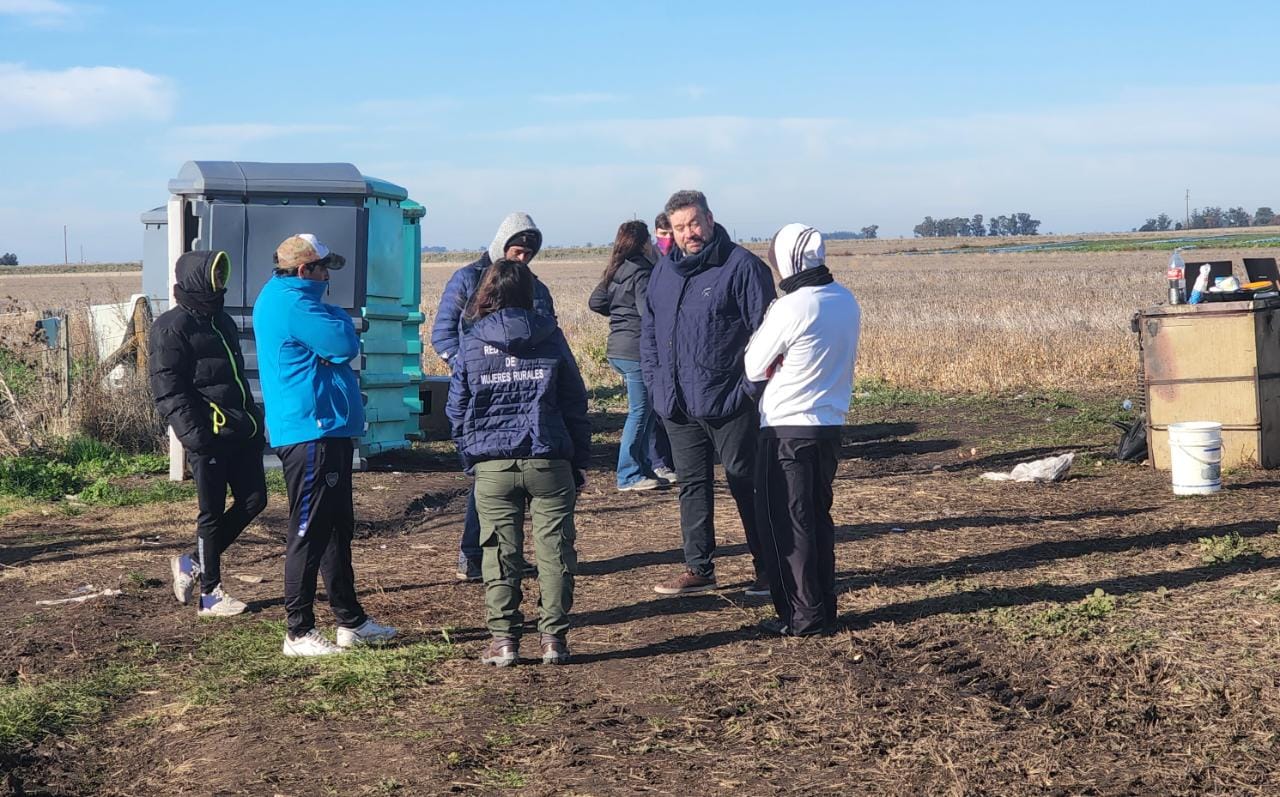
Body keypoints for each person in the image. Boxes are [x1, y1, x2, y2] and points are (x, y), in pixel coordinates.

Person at [253, 233, 397, 657]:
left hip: (324, 428)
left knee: (335, 528)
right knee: (309, 529)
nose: (328, 276)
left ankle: (350, 621)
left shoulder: (293, 300)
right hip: (310, 430)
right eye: (324, 269)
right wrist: (339, 322)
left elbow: (334, 339)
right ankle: (297, 631)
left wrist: (332, 318)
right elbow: (344, 343)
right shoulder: (294, 303)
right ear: (304, 271)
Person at [446, 259, 590, 666]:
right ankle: (553, 640)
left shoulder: (472, 342)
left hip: (493, 465)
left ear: (487, 293)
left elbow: (456, 408)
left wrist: (470, 456)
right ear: (529, 293)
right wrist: (580, 459)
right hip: (549, 459)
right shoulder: (551, 336)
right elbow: (575, 401)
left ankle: (504, 639)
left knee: (498, 552)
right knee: (555, 551)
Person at [640, 190, 776, 596]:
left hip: (728, 402)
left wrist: (746, 391)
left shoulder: (742, 267)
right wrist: (654, 379)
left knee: (747, 483)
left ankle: (769, 568)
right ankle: (699, 567)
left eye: (694, 223)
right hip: (676, 403)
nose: (689, 233)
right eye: (680, 227)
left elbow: (766, 335)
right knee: (692, 486)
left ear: (711, 219)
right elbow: (649, 331)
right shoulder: (664, 272)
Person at [744, 225, 859, 637]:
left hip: (785, 429)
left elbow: (754, 365)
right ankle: (823, 607)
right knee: (816, 518)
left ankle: (801, 615)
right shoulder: (845, 300)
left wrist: (774, 362)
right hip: (829, 425)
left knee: (786, 524)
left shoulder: (792, 306)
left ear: (787, 259)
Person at [431, 213, 556, 583]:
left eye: (528, 255)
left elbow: (549, 334)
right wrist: (472, 371)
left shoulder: (538, 289)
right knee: (488, 475)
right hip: (484, 396)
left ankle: (506, 556)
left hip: (527, 395)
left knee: (517, 477)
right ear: (502, 245)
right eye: (516, 251)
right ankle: (472, 555)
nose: (522, 260)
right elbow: (442, 335)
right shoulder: (467, 279)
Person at [150, 250, 266, 617]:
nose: (221, 282)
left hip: (241, 431)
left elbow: (233, 378)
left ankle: (190, 562)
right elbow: (168, 389)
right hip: (208, 436)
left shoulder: (222, 320)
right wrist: (196, 436)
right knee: (211, 513)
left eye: (222, 274)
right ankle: (211, 595)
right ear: (197, 279)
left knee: (255, 500)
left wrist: (254, 418)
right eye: (215, 275)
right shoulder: (171, 327)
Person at [588, 220, 671, 491]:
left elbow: (596, 302)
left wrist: (620, 315)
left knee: (644, 413)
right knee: (640, 413)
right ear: (643, 243)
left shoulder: (616, 270)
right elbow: (649, 314)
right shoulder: (642, 272)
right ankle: (628, 475)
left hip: (617, 349)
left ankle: (643, 469)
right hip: (635, 351)